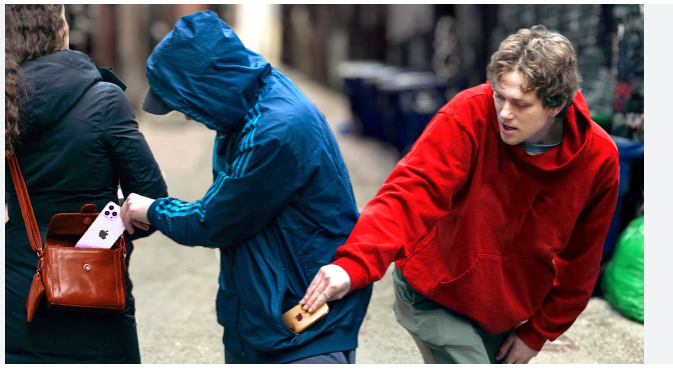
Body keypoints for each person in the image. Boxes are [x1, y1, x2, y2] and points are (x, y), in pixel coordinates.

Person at [301, 25, 620, 364]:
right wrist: (354, 263)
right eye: (499, 95)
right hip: (435, 289)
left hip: (506, 305)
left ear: (556, 105)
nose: (505, 112)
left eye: (521, 103)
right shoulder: (469, 112)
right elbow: (412, 191)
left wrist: (539, 331)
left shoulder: (598, 157)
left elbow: (583, 260)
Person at [121, 11, 372, 364]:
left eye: (185, 103)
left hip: (300, 318)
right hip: (269, 305)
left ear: (208, 85)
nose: (188, 115)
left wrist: (151, 209)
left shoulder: (275, 130)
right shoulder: (248, 101)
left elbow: (215, 219)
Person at [5, 4, 168, 363]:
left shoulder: (7, 102)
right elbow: (152, 199)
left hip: (18, 282)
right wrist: (107, 229)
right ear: (58, 30)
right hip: (95, 275)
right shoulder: (105, 98)